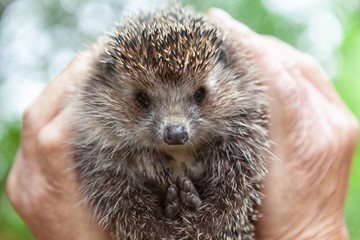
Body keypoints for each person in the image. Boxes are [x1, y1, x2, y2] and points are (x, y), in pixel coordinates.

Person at [6, 8, 358, 240]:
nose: (175, 128)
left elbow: (238, 198)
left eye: (199, 96)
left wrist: (311, 230)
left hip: (214, 222)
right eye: (143, 100)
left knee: (230, 188)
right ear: (106, 86)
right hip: (147, 218)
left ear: (228, 74)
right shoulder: (98, 123)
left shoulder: (242, 116)